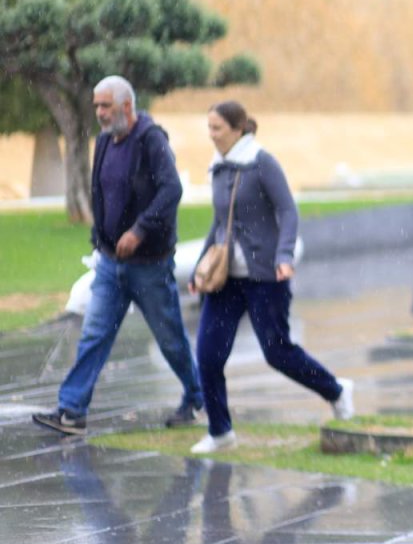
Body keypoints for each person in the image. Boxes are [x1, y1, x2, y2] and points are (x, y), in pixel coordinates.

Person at [33, 76, 205, 436]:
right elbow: (100, 191)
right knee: (94, 334)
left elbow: (171, 189)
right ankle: (72, 411)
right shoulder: (106, 141)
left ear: (127, 106)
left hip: (149, 266)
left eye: (105, 106)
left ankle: (197, 398)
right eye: (97, 106)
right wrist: (101, 238)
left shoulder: (151, 140)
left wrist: (140, 230)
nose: (99, 113)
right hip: (111, 264)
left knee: (170, 338)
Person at [189, 101, 353, 454]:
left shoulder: (262, 162)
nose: (212, 135)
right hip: (224, 280)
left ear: (238, 128)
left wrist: (284, 255)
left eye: (217, 128)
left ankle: (336, 390)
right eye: (209, 128)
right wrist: (200, 266)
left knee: (277, 353)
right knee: (208, 354)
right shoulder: (218, 168)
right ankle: (221, 432)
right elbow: (221, 224)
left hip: (265, 276)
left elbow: (288, 211)